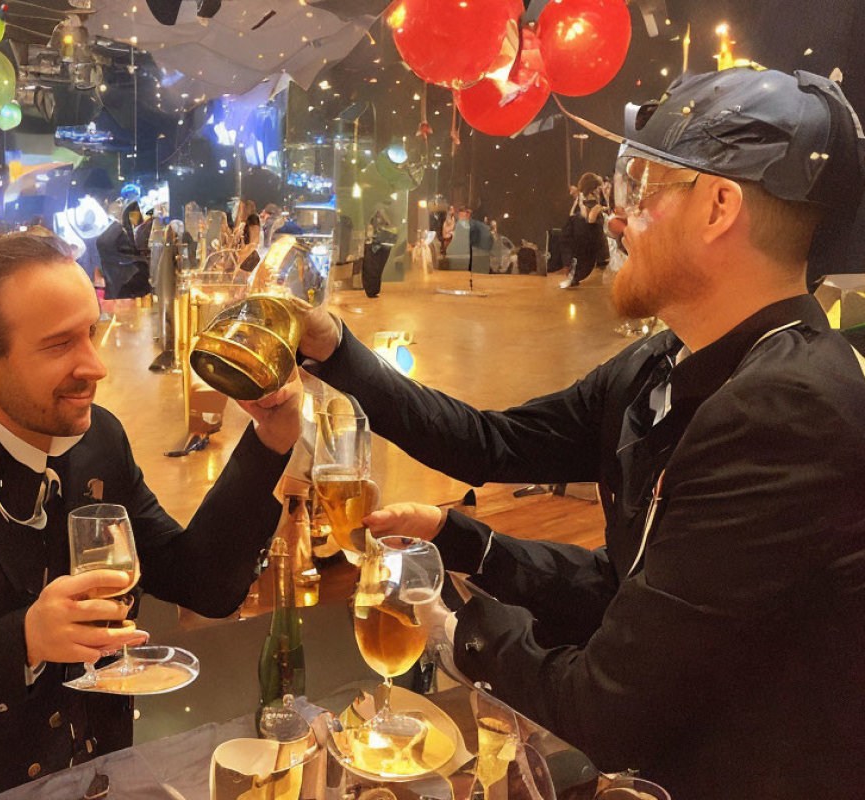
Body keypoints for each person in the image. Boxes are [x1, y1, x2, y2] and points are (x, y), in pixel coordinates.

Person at [296, 68, 865, 800]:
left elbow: (611, 709)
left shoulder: (790, 410)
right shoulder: (664, 361)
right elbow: (493, 447)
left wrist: (453, 629)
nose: (616, 219)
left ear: (720, 206)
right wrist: (338, 354)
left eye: (644, 189)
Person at [0, 233, 301, 799]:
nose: (95, 366)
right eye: (59, 344)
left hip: (104, 779)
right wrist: (21, 641)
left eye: (90, 333)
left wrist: (269, 440)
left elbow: (204, 583)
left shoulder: (98, 440)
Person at [560, 172, 610, 289]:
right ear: (593, 189)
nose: (600, 190)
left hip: (588, 252)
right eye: (598, 188)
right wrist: (597, 212)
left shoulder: (582, 204)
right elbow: (591, 222)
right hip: (592, 252)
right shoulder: (591, 206)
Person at [362, 204, 397, 298]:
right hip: (377, 243)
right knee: (374, 267)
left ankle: (372, 290)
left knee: (374, 267)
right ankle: (372, 290)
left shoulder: (381, 212)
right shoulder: (384, 212)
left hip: (377, 243)